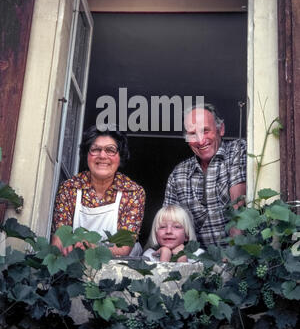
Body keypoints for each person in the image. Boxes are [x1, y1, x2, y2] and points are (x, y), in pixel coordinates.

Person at [51, 125, 145, 257]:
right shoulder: (69, 188)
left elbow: (124, 248)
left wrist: (88, 246)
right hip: (76, 264)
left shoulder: (132, 192)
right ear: (86, 154)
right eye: (95, 149)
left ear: (120, 156)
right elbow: (59, 240)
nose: (102, 155)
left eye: (110, 150)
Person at [163, 103, 246, 249]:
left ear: (221, 129)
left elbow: (238, 206)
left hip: (237, 257)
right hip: (198, 264)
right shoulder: (178, 174)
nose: (201, 141)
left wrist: (233, 258)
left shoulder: (237, 150)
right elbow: (168, 225)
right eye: (193, 134)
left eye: (206, 131)